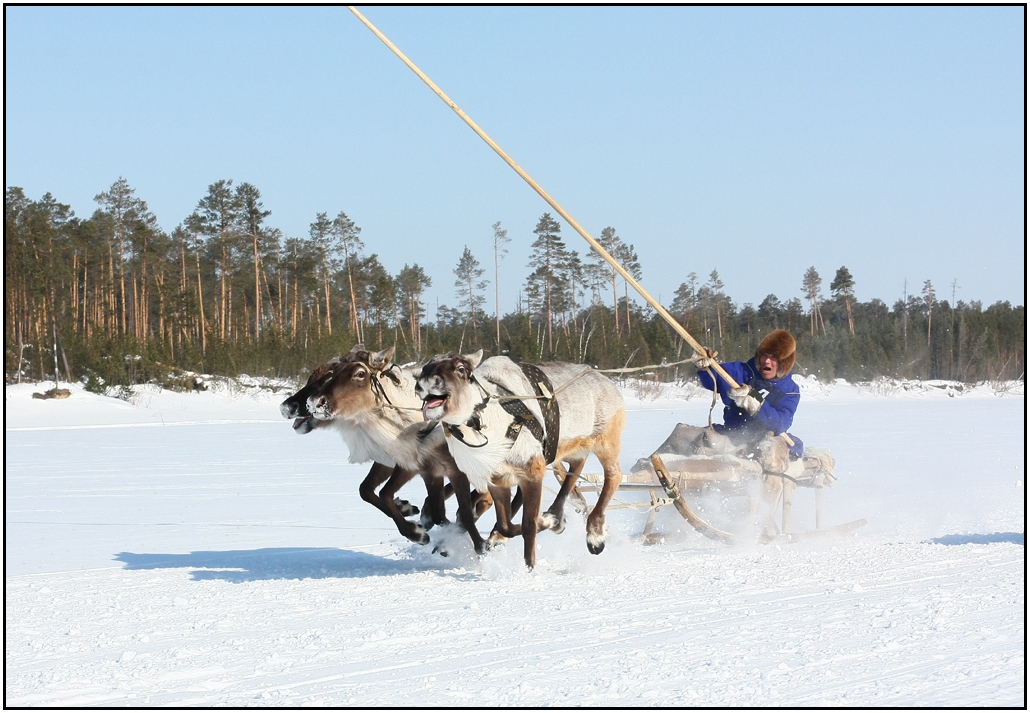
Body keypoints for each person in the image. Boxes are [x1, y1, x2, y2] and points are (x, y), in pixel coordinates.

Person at [691, 328, 804, 465]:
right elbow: (712, 380)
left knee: (772, 450)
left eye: (774, 357)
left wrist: (755, 403)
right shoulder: (741, 371)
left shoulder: (790, 391)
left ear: (784, 362)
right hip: (731, 435)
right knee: (690, 437)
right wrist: (704, 367)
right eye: (764, 355)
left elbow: (781, 423)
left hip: (765, 441)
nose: (767, 361)